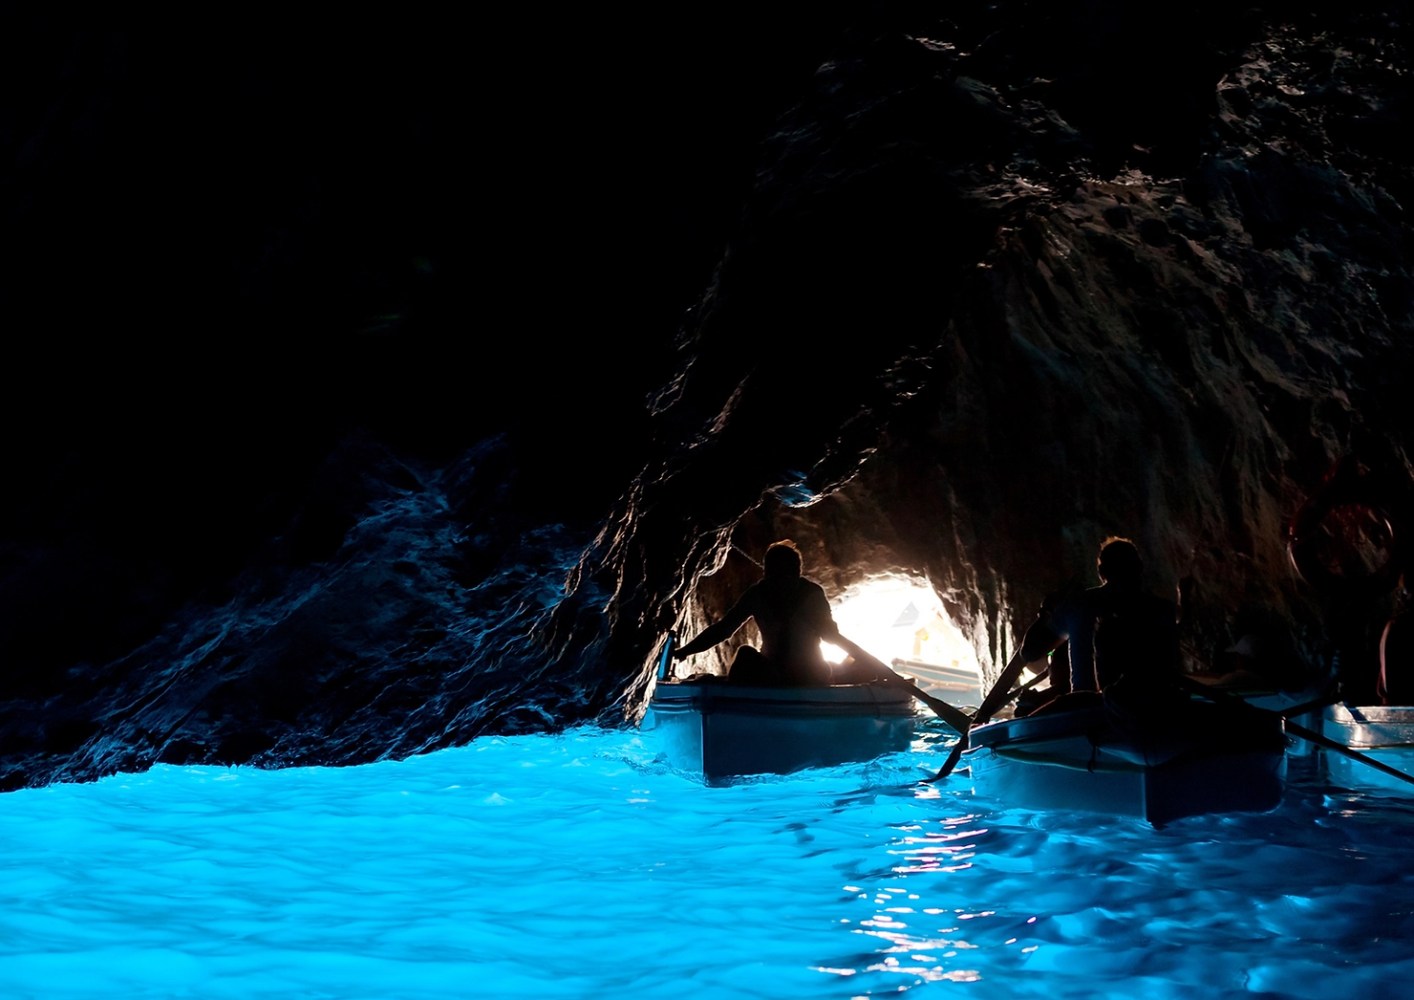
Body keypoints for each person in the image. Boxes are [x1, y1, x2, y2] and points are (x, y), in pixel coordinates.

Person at [672, 539, 880, 686]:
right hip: (771, 673)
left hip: (809, 674)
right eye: (774, 573)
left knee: (849, 665)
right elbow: (724, 629)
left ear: (796, 574)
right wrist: (684, 652)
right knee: (745, 653)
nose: (779, 582)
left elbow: (831, 637)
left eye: (785, 575)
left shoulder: (811, 595)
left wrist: (868, 663)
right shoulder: (758, 593)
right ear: (767, 572)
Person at [1018, 536, 1182, 713]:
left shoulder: (1078, 604)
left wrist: (1046, 612)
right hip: (1155, 706)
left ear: (1101, 571)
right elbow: (1172, 666)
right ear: (1140, 568)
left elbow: (1030, 653)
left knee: (1023, 710)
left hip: (1089, 708)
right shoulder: (1163, 609)